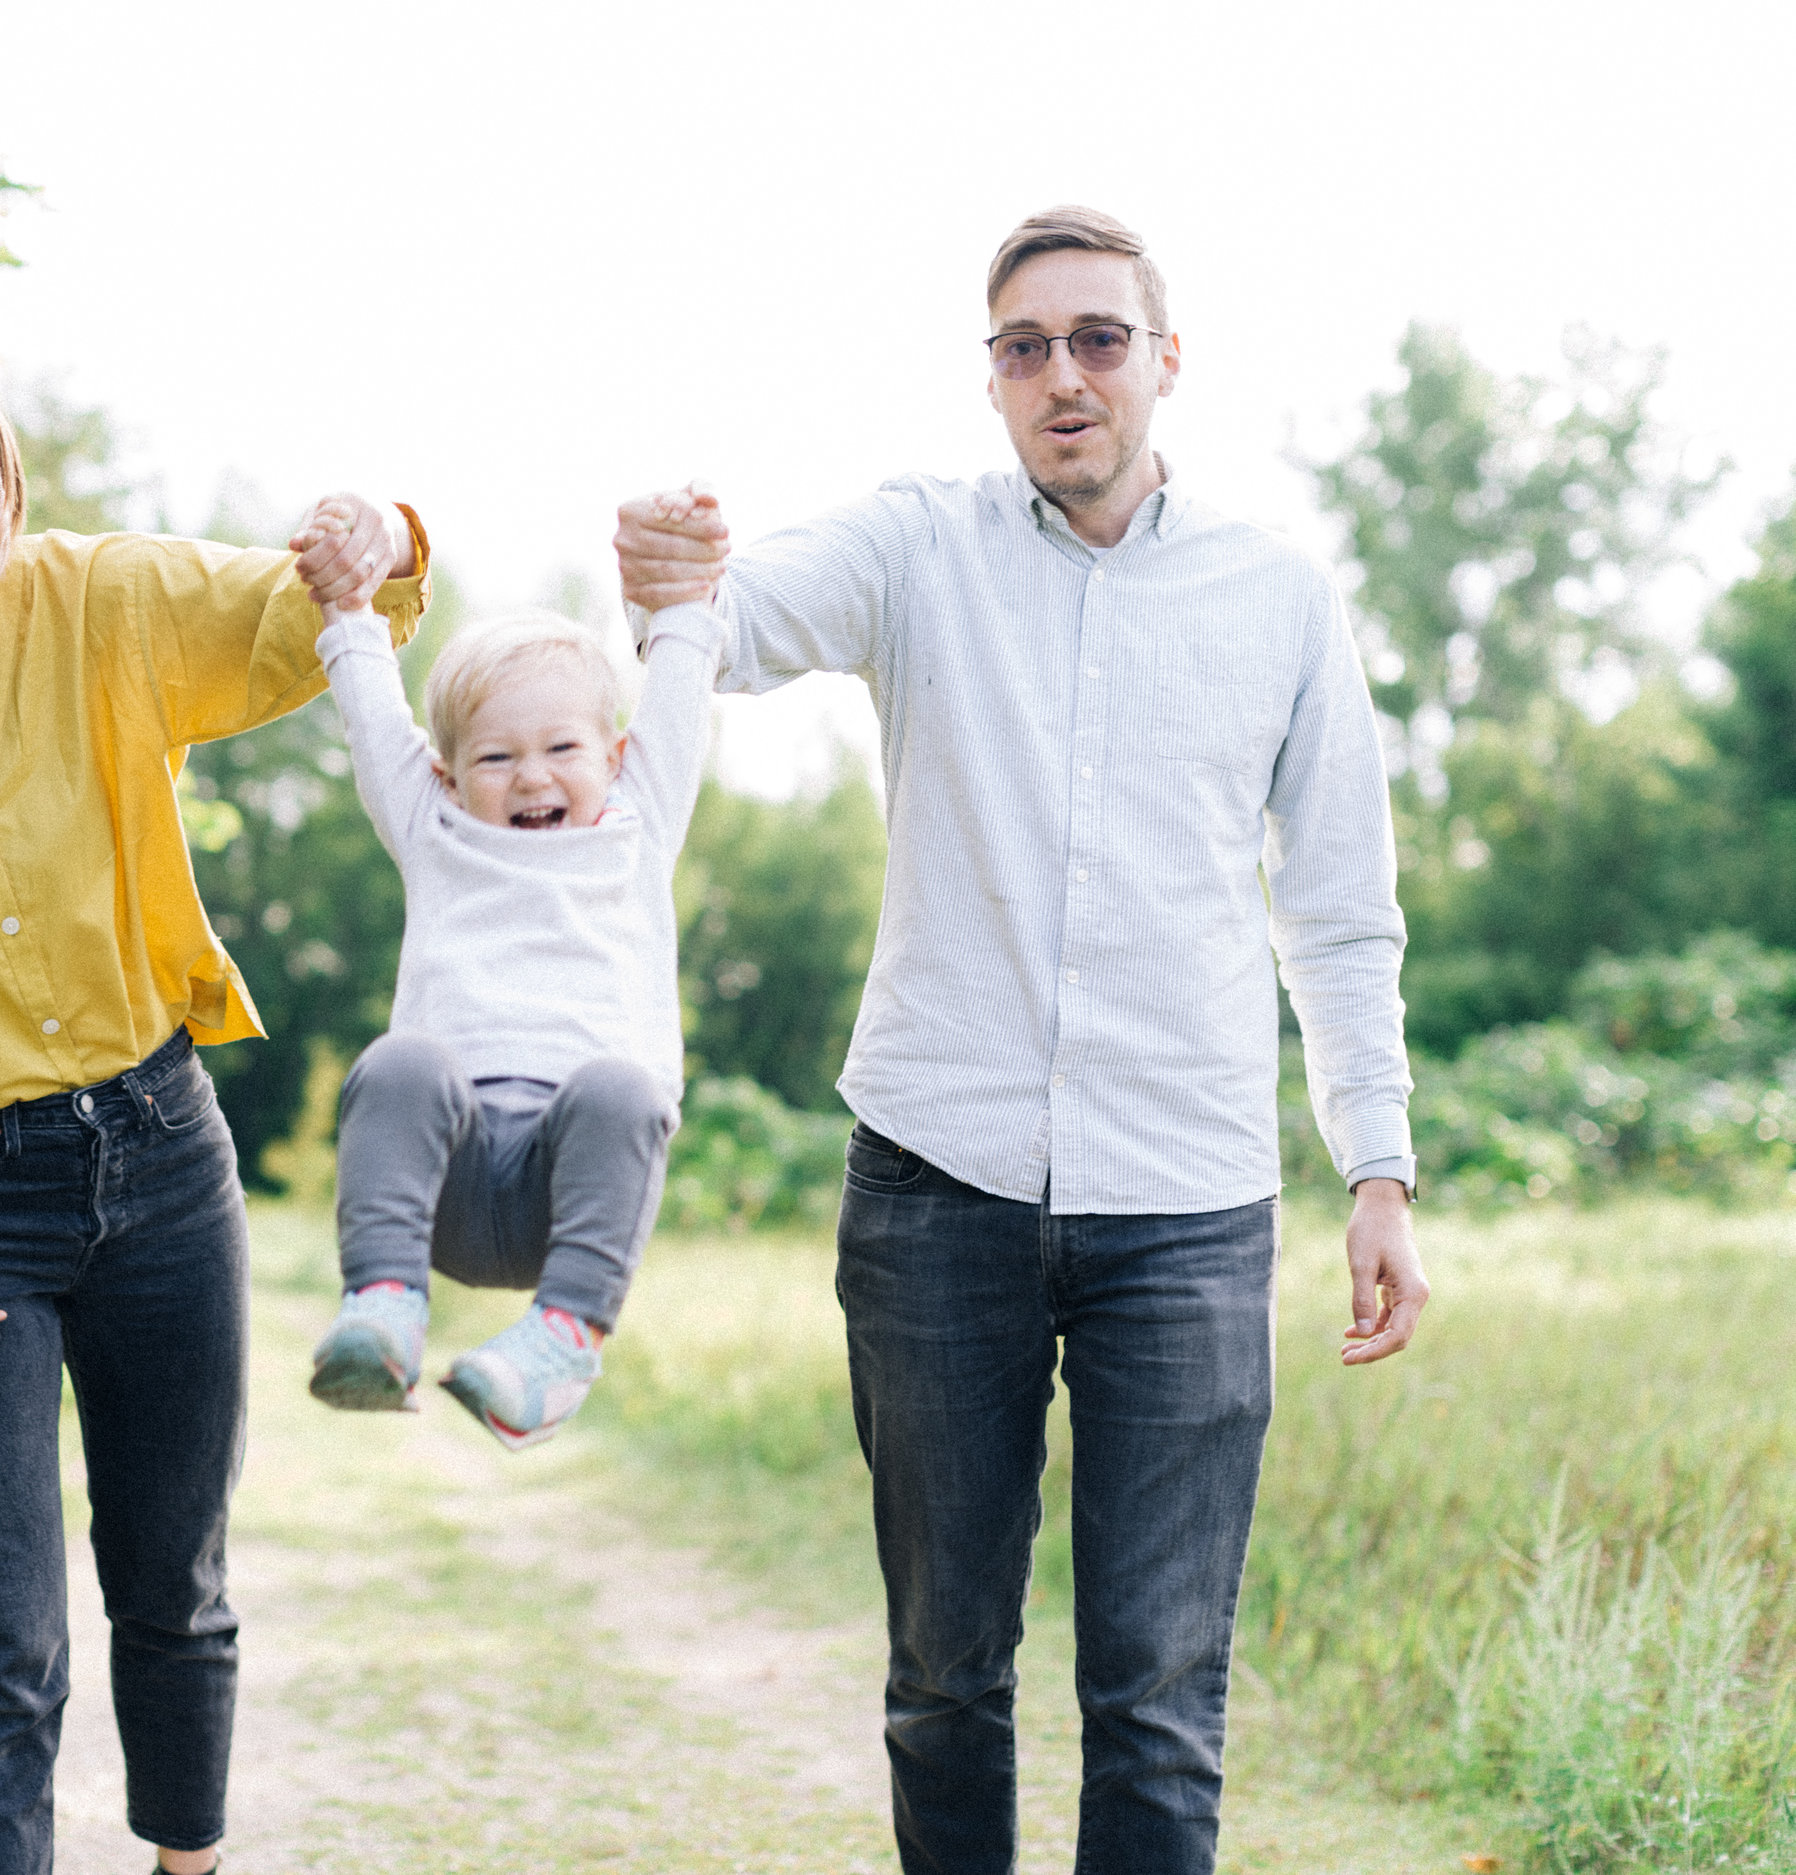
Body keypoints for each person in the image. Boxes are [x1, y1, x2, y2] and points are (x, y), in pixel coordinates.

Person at [612, 207, 1432, 1874]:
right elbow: (735, 621)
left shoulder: (1278, 598)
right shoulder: (921, 547)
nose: (1065, 375)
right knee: (942, 1675)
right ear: (990, 380)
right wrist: (673, 574)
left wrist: (1380, 1167)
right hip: (936, 1186)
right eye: (1025, 347)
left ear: (1166, 361)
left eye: (1099, 339)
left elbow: (1337, 909)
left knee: (1159, 1690)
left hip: (1188, 1205)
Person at [0, 335, 429, 1875]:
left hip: (162, 1159)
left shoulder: (97, 598)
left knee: (173, 1583)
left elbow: (301, 609)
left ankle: (190, 1862)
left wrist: (366, 536)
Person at [298, 552, 722, 1448]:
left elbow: (681, 700)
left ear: (613, 756)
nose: (532, 777)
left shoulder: (637, 825)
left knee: (624, 1088)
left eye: (562, 749)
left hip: (567, 1188)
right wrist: (346, 609)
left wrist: (684, 595)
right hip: (442, 1179)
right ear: (448, 774)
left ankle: (560, 1344)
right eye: (497, 757)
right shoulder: (434, 826)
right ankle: (381, 1311)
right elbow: (376, 721)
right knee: (400, 1064)